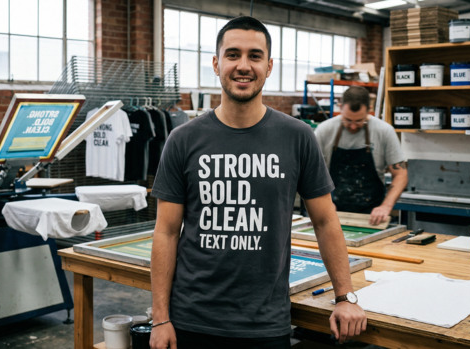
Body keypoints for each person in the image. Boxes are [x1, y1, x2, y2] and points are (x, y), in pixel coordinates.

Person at [149, 16, 367, 349]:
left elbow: (325, 221)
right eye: (233, 54)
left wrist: (345, 296)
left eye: (255, 56)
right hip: (192, 320)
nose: (243, 66)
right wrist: (161, 318)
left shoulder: (297, 137)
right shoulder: (183, 139)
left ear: (269, 66)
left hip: (265, 324)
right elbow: (165, 232)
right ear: (216, 63)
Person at [314, 86, 408, 225]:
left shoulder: (384, 131)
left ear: (369, 109)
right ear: (340, 107)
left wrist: (385, 206)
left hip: (373, 216)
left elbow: (401, 174)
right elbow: (311, 174)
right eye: (347, 120)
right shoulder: (324, 130)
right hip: (332, 213)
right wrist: (323, 203)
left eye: (359, 121)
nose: (352, 126)